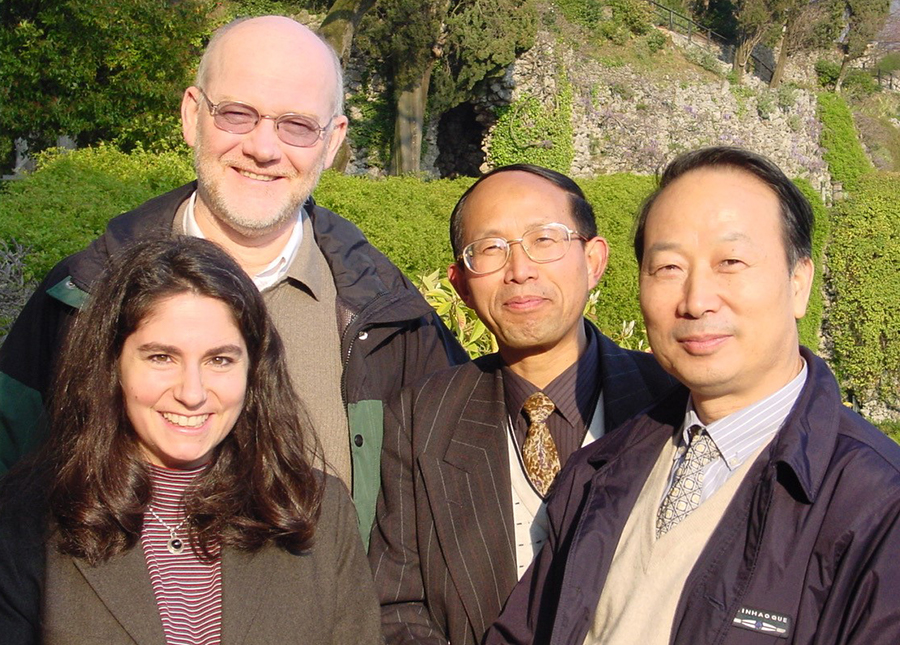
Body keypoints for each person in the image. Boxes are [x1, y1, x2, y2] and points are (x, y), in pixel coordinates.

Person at [0, 16, 466, 542]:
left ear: (332, 141)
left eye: (297, 125)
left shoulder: (395, 323)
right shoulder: (78, 298)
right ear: (192, 115)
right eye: (238, 115)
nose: (264, 149)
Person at [484, 147, 900, 645]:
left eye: (731, 261)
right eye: (668, 268)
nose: (697, 300)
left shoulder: (876, 507)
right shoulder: (602, 469)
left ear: (798, 282)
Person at [0, 236, 382, 645]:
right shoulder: (29, 515)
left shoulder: (317, 511)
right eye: (161, 357)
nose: (193, 393)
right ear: (112, 365)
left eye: (219, 360)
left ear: (254, 371)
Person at [368, 164, 675, 645]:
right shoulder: (421, 418)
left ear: (594, 260)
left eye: (545, 239)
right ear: (461, 285)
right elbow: (397, 604)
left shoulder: (672, 401)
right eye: (490, 249)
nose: (520, 270)